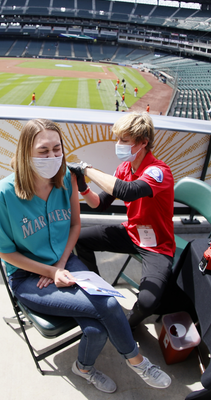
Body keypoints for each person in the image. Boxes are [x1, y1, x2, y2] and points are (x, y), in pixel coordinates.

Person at [0, 119, 171, 393]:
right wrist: (50, 272)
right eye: (43, 150)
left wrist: (60, 265)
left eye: (57, 149)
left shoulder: (66, 179)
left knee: (97, 329)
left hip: (65, 262)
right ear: (26, 152)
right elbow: (4, 251)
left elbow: (75, 225)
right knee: (107, 306)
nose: (53, 156)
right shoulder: (3, 194)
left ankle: (82, 368)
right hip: (27, 277)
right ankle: (137, 361)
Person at [69, 112, 175, 329]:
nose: (118, 144)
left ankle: (128, 325)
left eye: (124, 140)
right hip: (132, 233)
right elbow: (99, 204)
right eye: (118, 139)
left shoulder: (159, 171)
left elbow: (128, 191)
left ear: (143, 142)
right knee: (79, 239)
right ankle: (99, 296)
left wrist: (87, 169)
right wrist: (82, 184)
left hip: (157, 246)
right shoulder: (125, 168)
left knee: (147, 303)